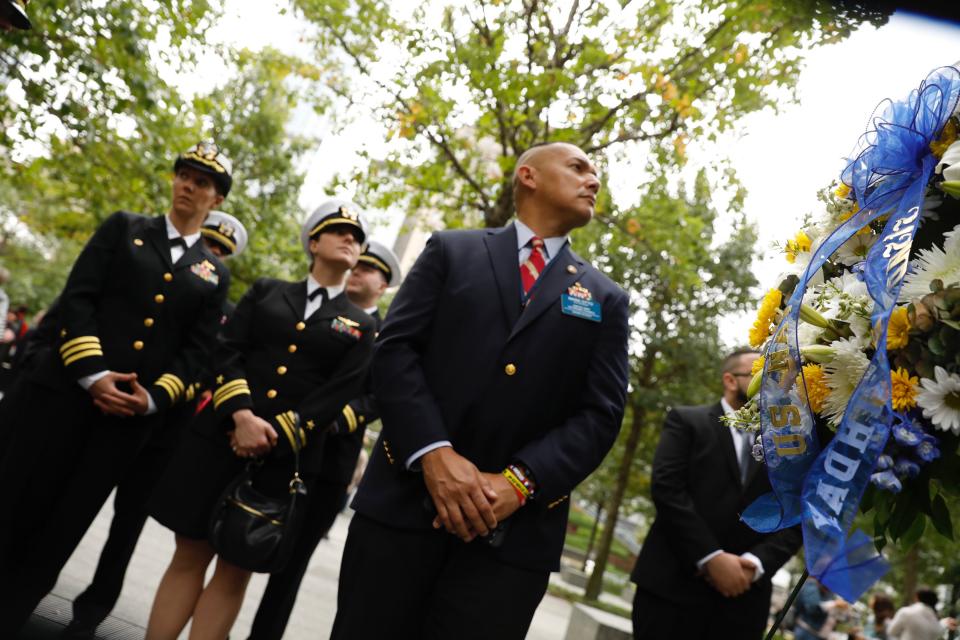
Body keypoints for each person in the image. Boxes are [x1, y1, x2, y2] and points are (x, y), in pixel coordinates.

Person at [331, 141, 630, 639]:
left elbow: (600, 415)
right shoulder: (451, 249)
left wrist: (519, 482)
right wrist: (433, 453)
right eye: (578, 168)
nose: (593, 181)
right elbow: (396, 352)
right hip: (402, 513)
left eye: (594, 174)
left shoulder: (605, 297)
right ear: (528, 176)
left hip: (512, 544)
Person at [0, 141, 234, 631]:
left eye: (203, 182)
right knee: (17, 503)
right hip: (64, 397)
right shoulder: (124, 227)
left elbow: (197, 354)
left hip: (125, 423)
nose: (189, 185)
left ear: (217, 200)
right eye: (184, 175)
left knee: (63, 527)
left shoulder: (214, 274)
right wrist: (95, 374)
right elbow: (79, 299)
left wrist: (151, 398)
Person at [146, 200, 375, 640]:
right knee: (189, 555)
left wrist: (274, 435)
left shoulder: (361, 325)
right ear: (313, 242)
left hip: (283, 462)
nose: (351, 240)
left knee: (236, 568)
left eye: (357, 237)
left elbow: (338, 394)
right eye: (340, 230)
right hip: (219, 440)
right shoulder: (267, 291)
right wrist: (242, 416)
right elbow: (227, 350)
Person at [62, 211, 249, 639]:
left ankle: (91, 611)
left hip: (167, 430)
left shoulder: (226, 309)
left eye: (221, 251)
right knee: (76, 504)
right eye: (210, 244)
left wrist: (162, 395)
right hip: (117, 410)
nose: (212, 255)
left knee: (127, 526)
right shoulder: (159, 267)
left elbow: (208, 363)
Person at [248, 240, 401, 639]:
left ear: (384, 285)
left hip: (330, 463)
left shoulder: (389, 335)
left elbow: (383, 394)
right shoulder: (317, 313)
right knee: (246, 540)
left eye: (370, 269)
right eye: (358, 265)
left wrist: (337, 419)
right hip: (285, 447)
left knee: (291, 564)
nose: (358, 272)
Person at [630, 347, 804, 640]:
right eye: (759, 374)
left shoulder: (790, 446)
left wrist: (756, 565)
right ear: (730, 380)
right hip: (670, 592)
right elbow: (667, 490)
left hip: (742, 606)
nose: (771, 383)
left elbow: (795, 514)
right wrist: (711, 557)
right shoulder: (686, 422)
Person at [888, 588, 956, 640]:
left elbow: (891, 632)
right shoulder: (934, 620)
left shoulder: (905, 612)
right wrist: (944, 622)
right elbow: (938, 631)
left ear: (917, 597)